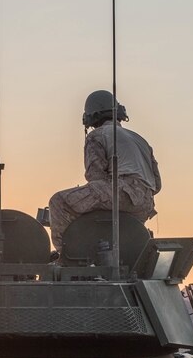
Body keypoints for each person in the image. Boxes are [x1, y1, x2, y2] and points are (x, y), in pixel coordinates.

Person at [48, 90, 161, 252]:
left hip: (120, 193)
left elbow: (96, 177)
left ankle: (66, 255)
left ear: (90, 118)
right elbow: (157, 184)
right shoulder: (140, 139)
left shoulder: (97, 135)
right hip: (145, 203)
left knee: (58, 201)